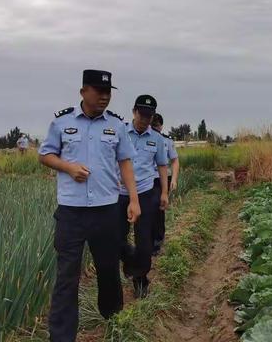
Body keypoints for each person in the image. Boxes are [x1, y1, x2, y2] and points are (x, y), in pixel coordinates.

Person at [38, 69, 140, 342]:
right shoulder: (62, 122)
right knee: (66, 277)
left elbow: (126, 162)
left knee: (108, 271)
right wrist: (68, 167)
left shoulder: (116, 125)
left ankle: (114, 322)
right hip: (71, 213)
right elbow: (45, 154)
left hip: (106, 210)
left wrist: (133, 198)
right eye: (98, 91)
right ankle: (61, 336)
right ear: (83, 92)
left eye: (108, 92)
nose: (104, 97)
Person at [117, 95, 168, 298]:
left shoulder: (156, 139)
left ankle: (140, 279)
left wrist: (164, 192)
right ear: (134, 112)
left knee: (145, 242)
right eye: (142, 114)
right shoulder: (120, 133)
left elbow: (162, 166)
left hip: (146, 192)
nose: (145, 119)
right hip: (119, 193)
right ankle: (130, 258)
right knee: (116, 238)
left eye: (149, 116)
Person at [151, 113, 180, 255]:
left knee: (158, 209)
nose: (155, 129)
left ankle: (158, 241)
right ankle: (147, 240)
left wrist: (173, 179)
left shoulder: (166, 141)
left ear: (161, 126)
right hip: (145, 179)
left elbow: (174, 160)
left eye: (157, 126)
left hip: (161, 179)